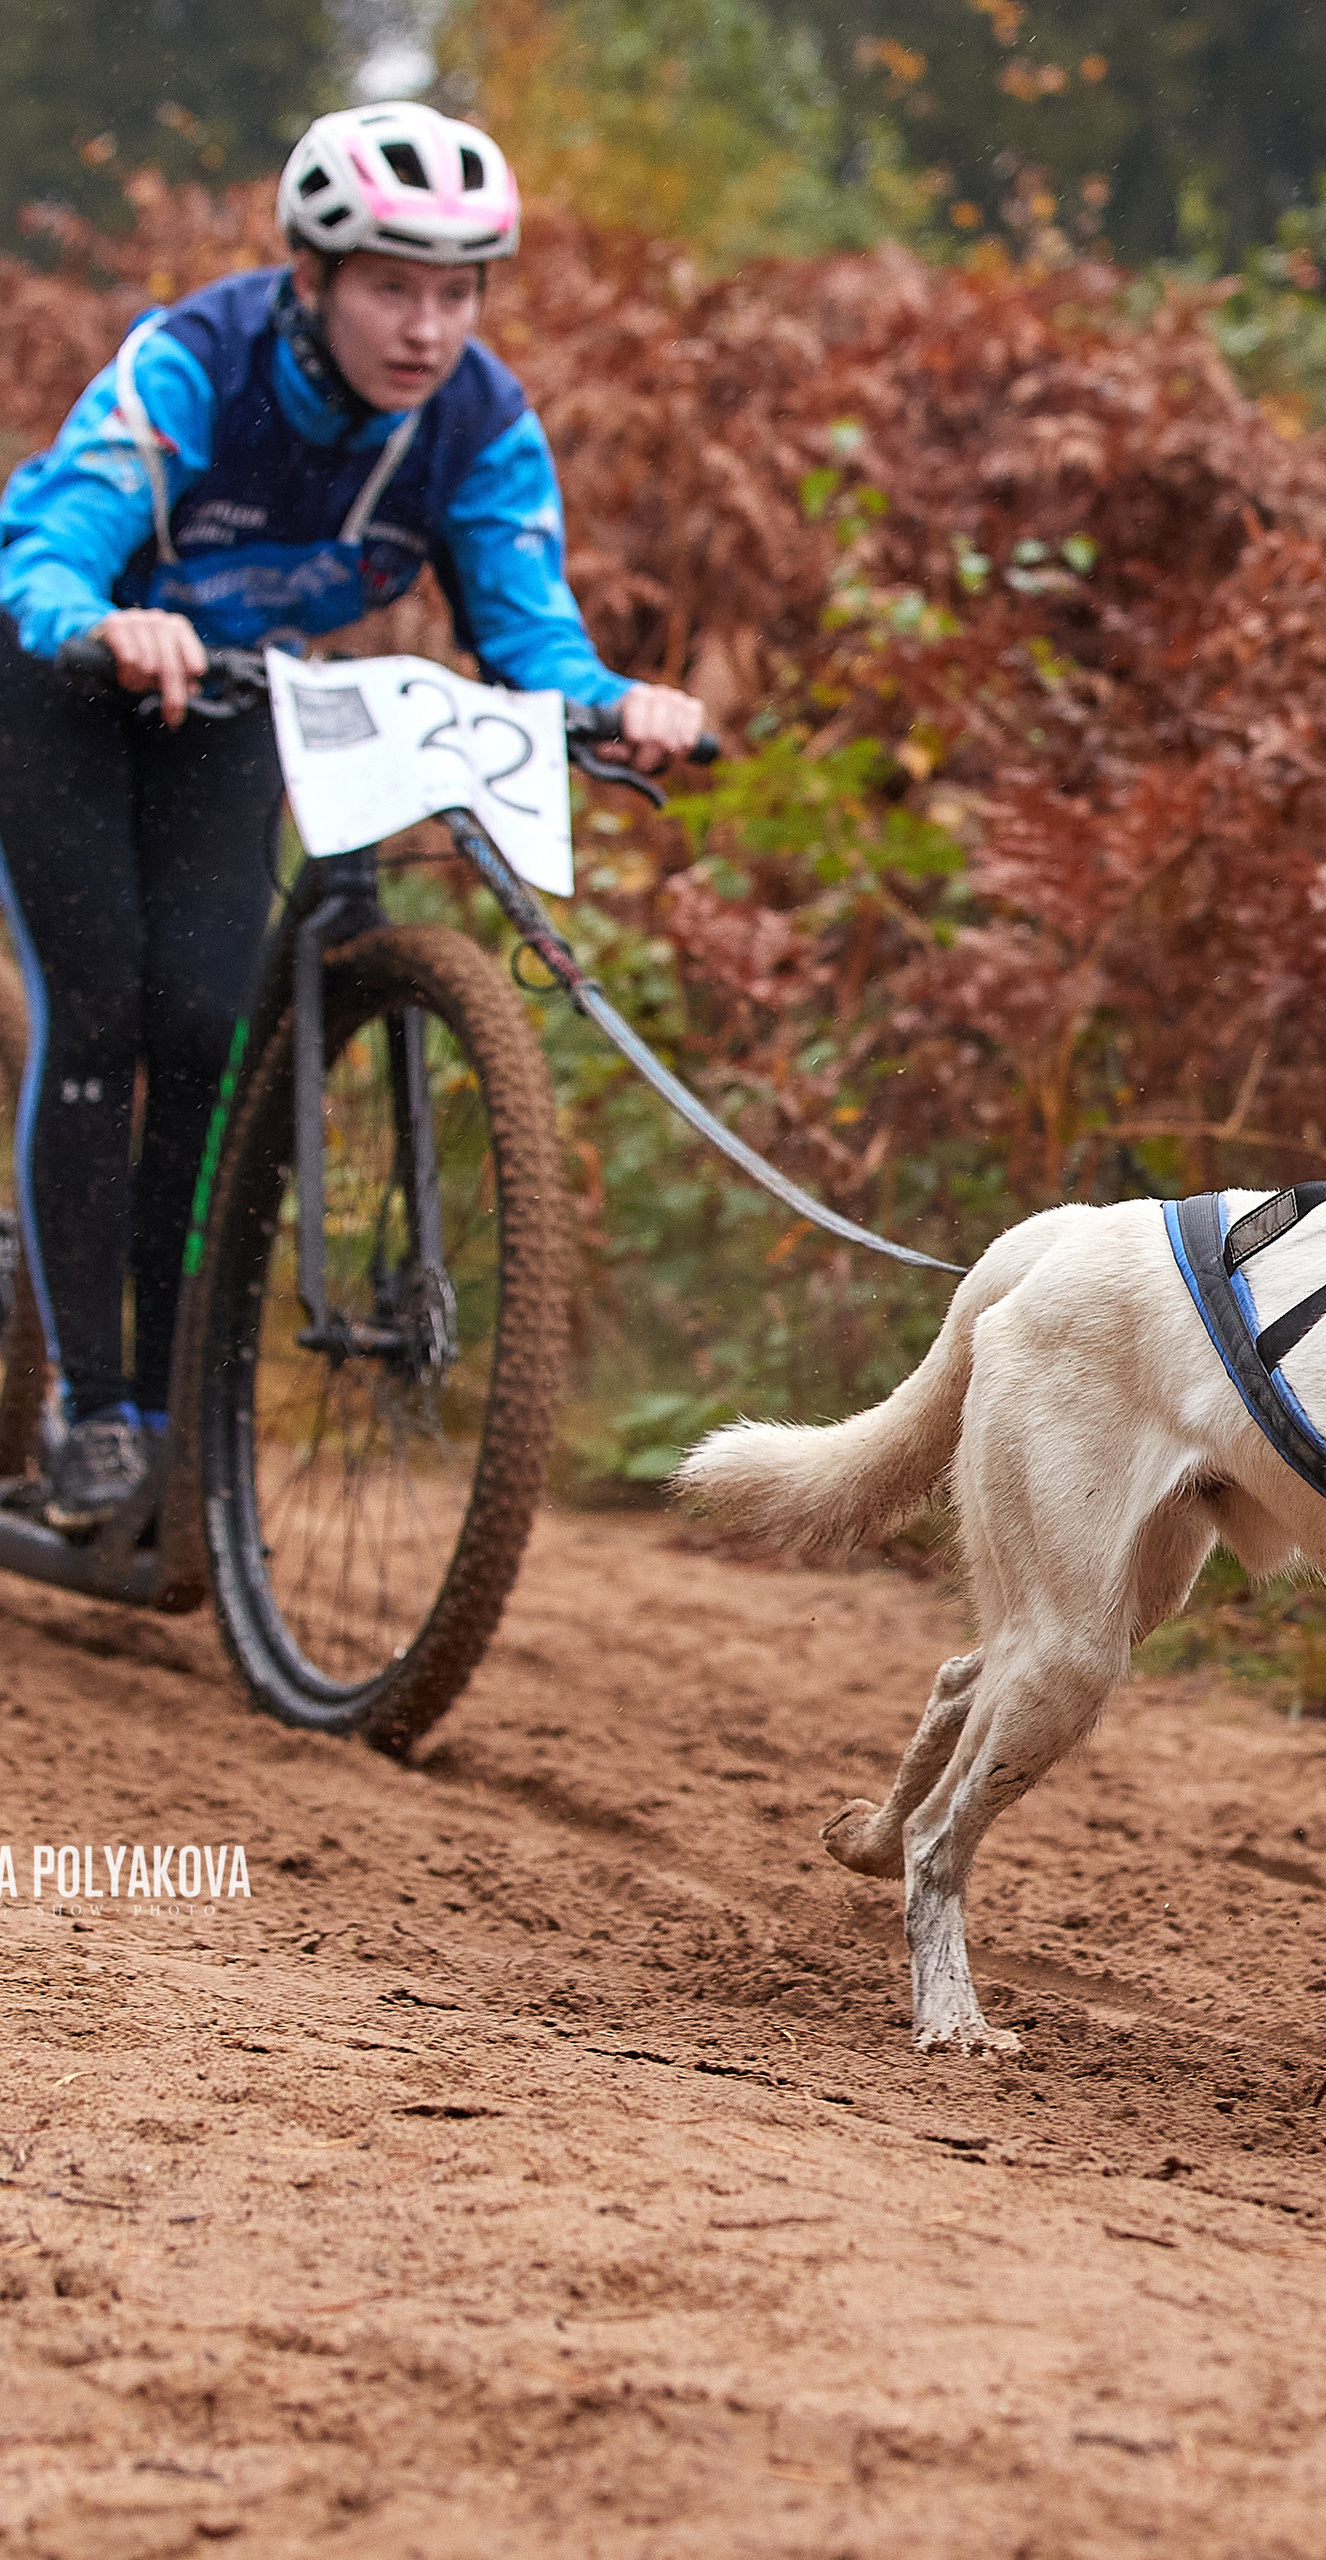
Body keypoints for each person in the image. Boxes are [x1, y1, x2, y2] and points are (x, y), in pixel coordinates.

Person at [0, 102, 705, 1531]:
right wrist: (97, 618)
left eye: (456, 294)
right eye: (392, 286)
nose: (426, 327)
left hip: (237, 699)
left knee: (204, 1027)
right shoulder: (194, 365)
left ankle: (158, 1397)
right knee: (108, 1015)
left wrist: (611, 699)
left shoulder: (477, 424)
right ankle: (92, 1400)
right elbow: (58, 532)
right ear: (312, 281)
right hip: (66, 684)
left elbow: (529, 625)